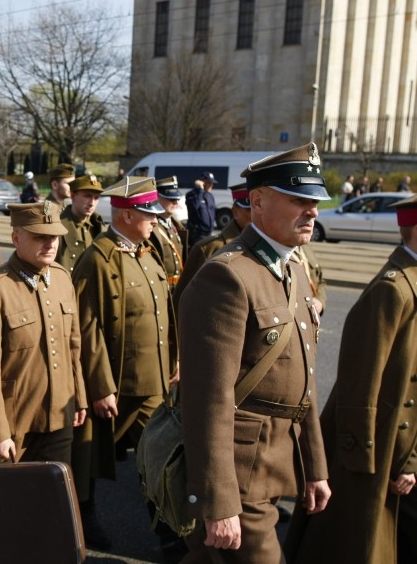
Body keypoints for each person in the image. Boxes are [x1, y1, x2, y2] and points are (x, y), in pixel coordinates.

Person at [178, 143, 331, 562]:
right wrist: (218, 500)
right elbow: (208, 399)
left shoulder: (293, 268)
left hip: (278, 459)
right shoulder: (227, 276)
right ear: (258, 201)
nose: (312, 211)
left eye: (315, 201)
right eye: (300, 199)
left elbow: (306, 385)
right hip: (240, 469)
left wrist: (315, 467)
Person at [285, 194, 417, 563]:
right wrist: (368, 465)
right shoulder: (393, 290)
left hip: (405, 449)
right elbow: (360, 387)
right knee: (355, 538)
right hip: (387, 448)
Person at [71, 176, 177, 551]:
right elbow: (86, 327)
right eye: (148, 214)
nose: (155, 220)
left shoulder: (146, 253)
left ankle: (171, 534)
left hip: (153, 383)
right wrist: (100, 386)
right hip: (117, 382)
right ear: (128, 214)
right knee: (85, 457)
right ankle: (81, 522)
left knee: (162, 457)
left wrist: (174, 363)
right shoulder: (98, 258)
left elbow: (164, 315)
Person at [0, 201, 87, 466]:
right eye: (40, 237)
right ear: (16, 238)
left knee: (54, 499)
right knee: (11, 503)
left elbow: (73, 348)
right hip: (15, 424)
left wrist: (79, 398)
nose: (50, 243)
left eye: (54, 236)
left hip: (59, 419)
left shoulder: (63, 278)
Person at [174, 183, 252, 306]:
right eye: (250, 209)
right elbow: (183, 298)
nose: (257, 214)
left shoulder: (267, 245)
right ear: (236, 212)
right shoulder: (209, 248)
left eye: (260, 208)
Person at [56, 174, 105, 273]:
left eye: (96, 198)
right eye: (87, 196)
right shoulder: (57, 225)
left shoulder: (97, 225)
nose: (92, 203)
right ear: (73, 196)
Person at [150, 176, 186, 290]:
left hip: (178, 286)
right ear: (157, 198)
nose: (175, 202)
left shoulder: (176, 225)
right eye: (171, 199)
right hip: (162, 286)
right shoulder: (152, 227)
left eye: (176, 199)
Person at [185, 172, 217, 246]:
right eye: (209, 183)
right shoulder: (192, 194)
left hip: (209, 233)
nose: (211, 185)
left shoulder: (210, 196)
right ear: (202, 182)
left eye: (212, 183)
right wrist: (200, 190)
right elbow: (194, 207)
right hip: (197, 235)